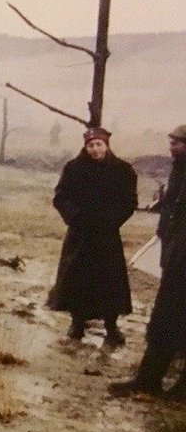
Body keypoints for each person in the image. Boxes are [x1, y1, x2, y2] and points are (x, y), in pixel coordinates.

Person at [110, 124, 186, 399]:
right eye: (171, 141)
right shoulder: (179, 169)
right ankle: (148, 380)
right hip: (175, 257)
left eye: (177, 142)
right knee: (164, 321)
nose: (171, 146)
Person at [47, 128, 137, 346]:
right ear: (85, 147)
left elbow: (129, 202)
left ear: (106, 145)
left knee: (109, 280)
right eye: (91, 145)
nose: (95, 150)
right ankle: (77, 323)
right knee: (77, 277)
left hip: (107, 236)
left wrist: (112, 220)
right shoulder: (74, 168)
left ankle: (111, 326)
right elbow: (60, 197)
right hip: (80, 234)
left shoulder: (123, 170)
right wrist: (76, 217)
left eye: (99, 145)